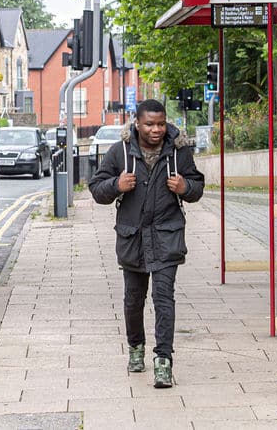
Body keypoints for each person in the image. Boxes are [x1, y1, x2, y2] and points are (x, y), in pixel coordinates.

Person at [88, 99, 205, 388]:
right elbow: (96, 190)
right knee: (133, 300)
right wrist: (116, 185)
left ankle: (163, 362)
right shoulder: (120, 153)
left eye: (161, 124)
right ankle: (136, 349)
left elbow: (197, 188)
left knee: (164, 299)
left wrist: (185, 187)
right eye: (150, 124)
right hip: (133, 238)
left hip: (167, 236)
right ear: (137, 123)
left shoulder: (178, 153)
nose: (156, 129)